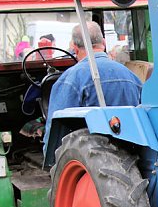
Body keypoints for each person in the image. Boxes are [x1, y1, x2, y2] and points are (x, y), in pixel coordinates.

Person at [42, 22, 143, 154]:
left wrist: (48, 157)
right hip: (132, 151)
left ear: (75, 48)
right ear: (104, 43)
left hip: (91, 157)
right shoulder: (132, 76)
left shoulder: (71, 80)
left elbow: (56, 130)